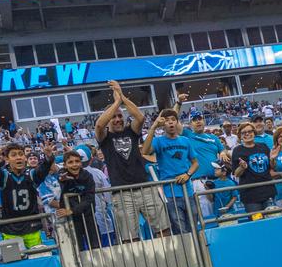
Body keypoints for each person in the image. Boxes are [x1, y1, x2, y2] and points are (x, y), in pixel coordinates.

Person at [95, 80, 169, 241]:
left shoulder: (131, 131)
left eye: (120, 116)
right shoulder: (105, 137)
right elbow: (99, 125)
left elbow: (140, 117)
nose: (117, 119)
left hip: (144, 187)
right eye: (113, 117)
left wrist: (121, 97)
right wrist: (116, 103)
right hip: (122, 193)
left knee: (163, 229)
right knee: (130, 238)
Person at [0, 142, 54, 247]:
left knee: (37, 258)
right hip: (10, 230)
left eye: (21, 154)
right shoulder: (4, 176)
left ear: (25, 158)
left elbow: (43, 170)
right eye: (14, 155)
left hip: (32, 227)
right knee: (15, 260)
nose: (18, 157)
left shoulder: (31, 174)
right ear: (7, 160)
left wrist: (49, 157)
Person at [142, 109, 198, 234]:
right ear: (163, 125)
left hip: (188, 190)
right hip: (170, 193)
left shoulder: (185, 140)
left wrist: (187, 174)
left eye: (173, 120)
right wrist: (153, 127)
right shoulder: (158, 141)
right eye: (167, 121)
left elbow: (195, 163)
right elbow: (145, 151)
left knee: (194, 227)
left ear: (177, 122)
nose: (171, 123)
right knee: (180, 230)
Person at [185, 113, 226, 219]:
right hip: (200, 182)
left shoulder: (213, 138)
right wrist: (179, 103)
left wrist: (223, 152)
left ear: (204, 121)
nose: (198, 121)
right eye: (194, 120)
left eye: (200, 119)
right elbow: (174, 120)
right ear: (190, 124)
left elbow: (222, 150)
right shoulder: (187, 135)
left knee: (223, 212)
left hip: (217, 180)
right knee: (207, 216)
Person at [56, 149, 99, 250]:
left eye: (77, 161)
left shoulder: (88, 176)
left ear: (81, 163)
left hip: (88, 217)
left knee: (96, 247)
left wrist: (72, 211)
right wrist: (62, 180)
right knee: (76, 249)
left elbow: (90, 198)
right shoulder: (63, 176)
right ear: (65, 165)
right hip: (71, 221)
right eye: (70, 162)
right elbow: (59, 177)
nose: (74, 164)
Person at [231, 121, 275, 214]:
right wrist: (242, 167)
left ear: (254, 133)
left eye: (250, 131)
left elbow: (271, 167)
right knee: (257, 222)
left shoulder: (263, 146)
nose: (247, 134)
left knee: (273, 219)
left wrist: (272, 159)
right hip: (251, 196)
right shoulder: (237, 150)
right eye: (244, 132)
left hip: (268, 191)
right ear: (240, 135)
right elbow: (236, 173)